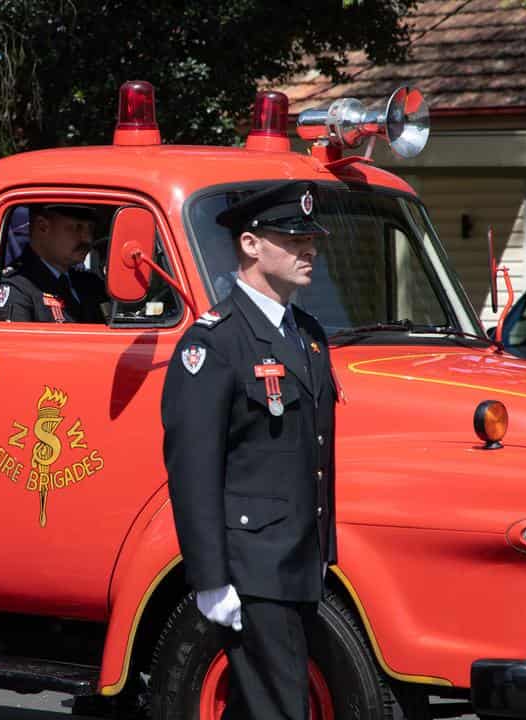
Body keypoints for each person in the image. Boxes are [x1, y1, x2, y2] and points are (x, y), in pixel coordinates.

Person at [161, 181, 337, 720]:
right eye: (292, 237)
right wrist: (210, 577)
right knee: (280, 709)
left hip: (300, 560)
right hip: (252, 566)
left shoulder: (306, 333)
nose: (309, 249)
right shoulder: (213, 342)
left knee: (259, 706)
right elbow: (193, 467)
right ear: (251, 245)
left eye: (311, 237)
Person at [0, 203, 111, 323]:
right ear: (43, 226)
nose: (88, 239)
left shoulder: (90, 284)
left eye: (90, 229)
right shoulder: (18, 286)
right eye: (78, 227)